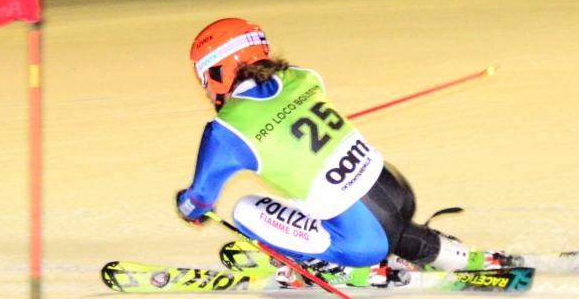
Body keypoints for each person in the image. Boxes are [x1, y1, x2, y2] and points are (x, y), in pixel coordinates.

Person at [174, 17, 496, 281]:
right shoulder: (303, 77)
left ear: (219, 71)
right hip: (398, 194)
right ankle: (441, 251)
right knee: (327, 197)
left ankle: (331, 266)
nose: (205, 89)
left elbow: (199, 202)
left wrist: (188, 209)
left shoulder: (226, 131)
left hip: (362, 241)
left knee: (245, 210)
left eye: (204, 78)